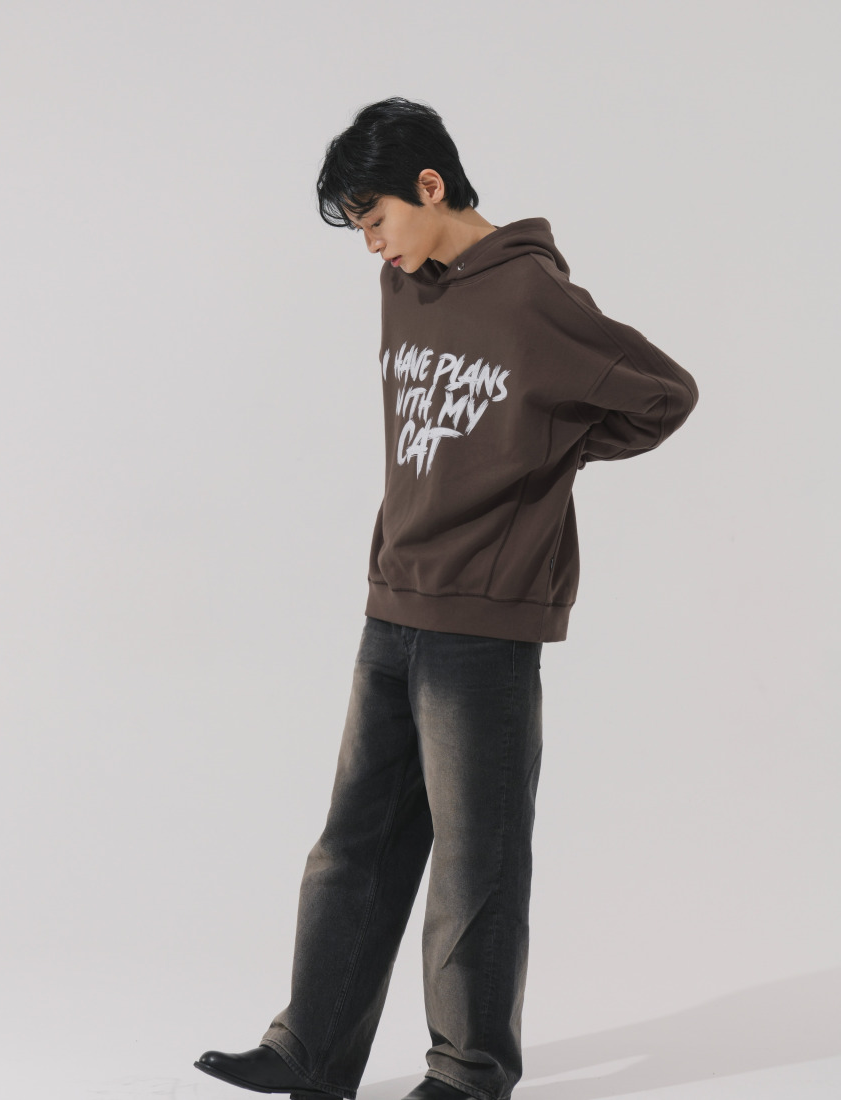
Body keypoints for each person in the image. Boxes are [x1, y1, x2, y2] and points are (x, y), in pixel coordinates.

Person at [196, 96, 699, 1100]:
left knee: (477, 860)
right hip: (395, 600)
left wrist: (549, 454)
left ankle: (470, 1071)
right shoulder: (402, 284)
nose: (371, 242)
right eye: (356, 226)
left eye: (375, 216)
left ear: (431, 185)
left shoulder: (533, 295)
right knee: (352, 845)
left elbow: (664, 392)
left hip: (483, 620)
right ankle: (310, 1050)